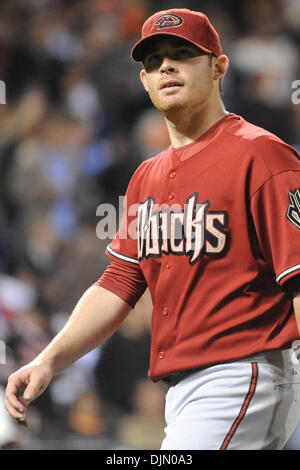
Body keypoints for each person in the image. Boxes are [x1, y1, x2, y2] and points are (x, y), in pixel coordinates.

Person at [4, 8, 300, 450]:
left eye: (182, 53)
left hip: (242, 372)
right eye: (153, 59)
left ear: (219, 67)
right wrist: (50, 359)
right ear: (144, 81)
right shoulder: (148, 176)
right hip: (182, 391)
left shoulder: (261, 157)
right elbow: (120, 282)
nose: (166, 66)